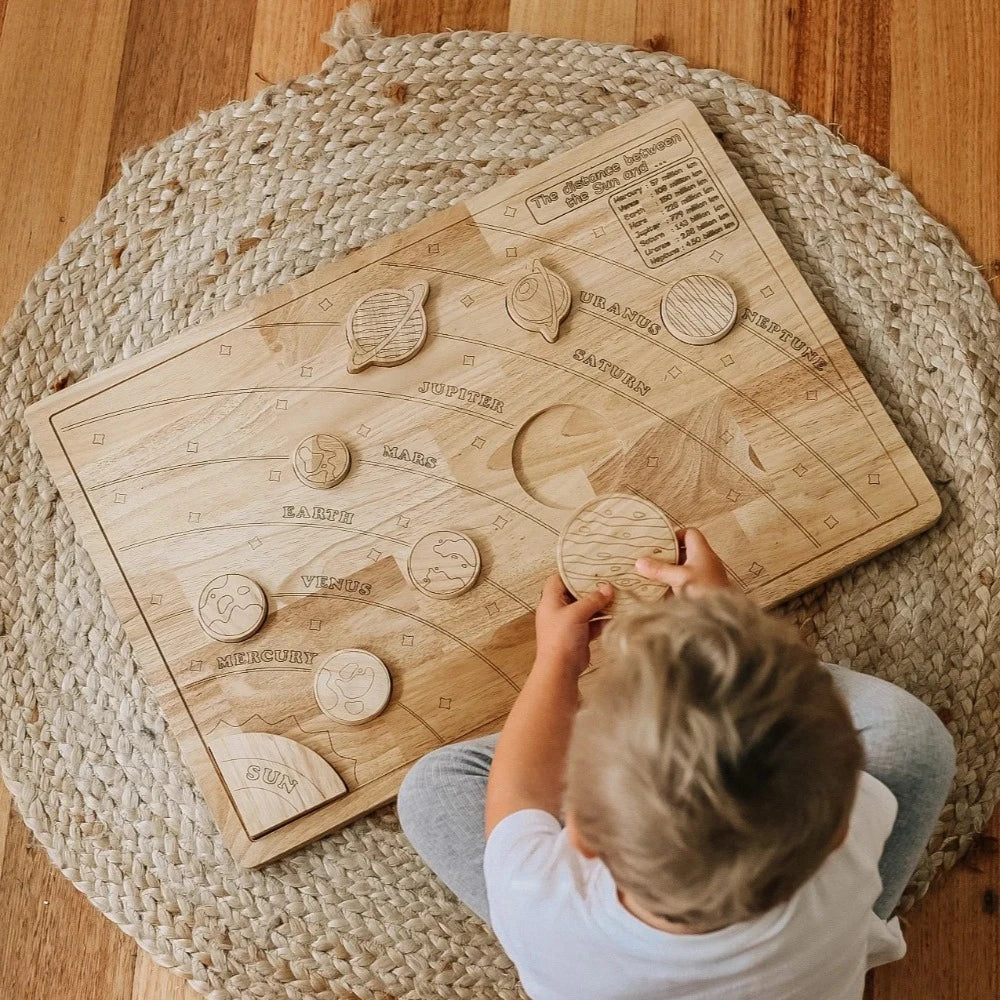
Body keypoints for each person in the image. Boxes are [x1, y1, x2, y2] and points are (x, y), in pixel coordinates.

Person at [397, 527, 955, 1000]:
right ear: (839, 830)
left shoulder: (539, 906)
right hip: (805, 954)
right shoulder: (847, 864)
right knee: (913, 739)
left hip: (581, 955)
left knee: (431, 788)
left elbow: (518, 793)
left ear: (580, 832)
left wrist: (557, 662)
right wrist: (726, 626)